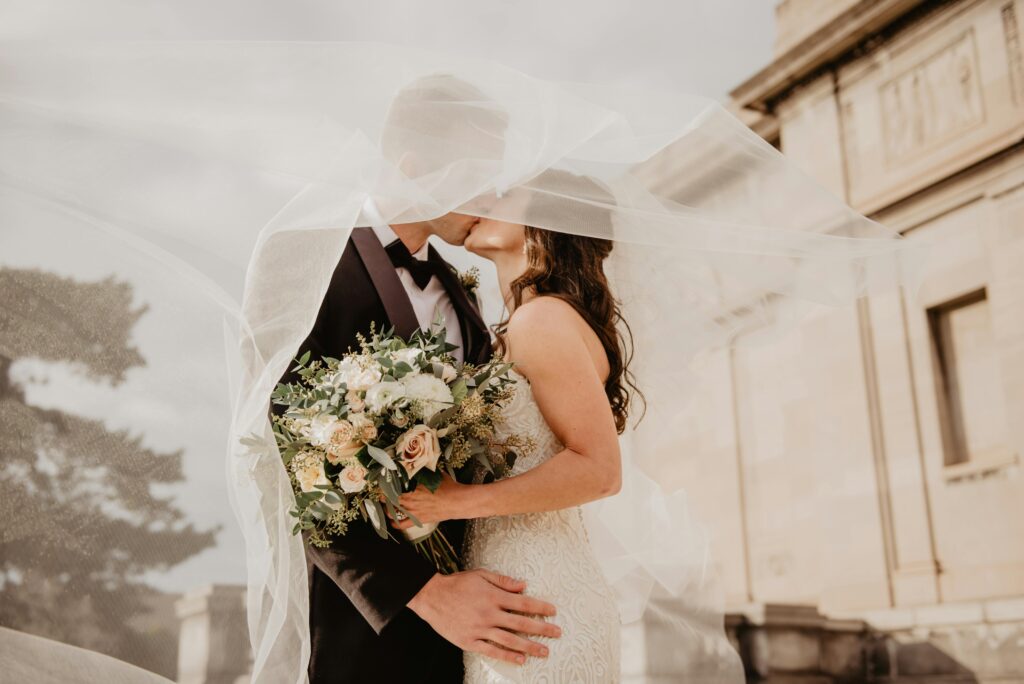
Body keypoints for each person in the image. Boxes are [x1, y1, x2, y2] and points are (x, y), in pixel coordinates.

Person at [277, 75, 561, 684]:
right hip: (368, 630)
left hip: (483, 624)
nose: (491, 195)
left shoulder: (462, 294)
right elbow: (286, 456)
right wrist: (427, 594)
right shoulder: (303, 259)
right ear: (414, 166)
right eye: (478, 174)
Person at [394, 177, 635, 682]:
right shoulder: (520, 323)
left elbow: (600, 470)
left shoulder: (542, 321)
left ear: (544, 222)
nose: (480, 199)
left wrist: (454, 502)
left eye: (502, 194)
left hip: (539, 599)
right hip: (511, 592)